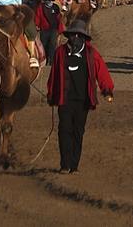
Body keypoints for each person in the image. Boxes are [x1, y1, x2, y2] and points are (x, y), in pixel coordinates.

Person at [46, 20, 114, 174]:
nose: (75, 37)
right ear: (69, 36)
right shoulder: (60, 52)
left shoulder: (91, 53)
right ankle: (65, 164)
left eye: (79, 35)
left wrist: (107, 89)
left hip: (83, 99)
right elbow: (54, 75)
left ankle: (74, 166)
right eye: (73, 35)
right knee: (64, 130)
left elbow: (102, 72)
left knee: (78, 131)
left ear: (83, 37)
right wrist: (51, 94)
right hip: (64, 98)